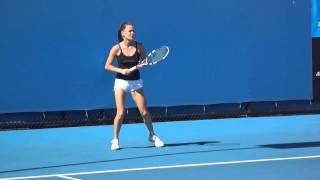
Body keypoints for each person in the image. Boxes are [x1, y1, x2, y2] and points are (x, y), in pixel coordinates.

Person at [104, 21, 164, 150]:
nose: (132, 33)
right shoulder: (116, 48)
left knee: (144, 112)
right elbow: (107, 66)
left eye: (133, 31)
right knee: (120, 112)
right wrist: (121, 71)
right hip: (121, 82)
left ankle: (152, 135)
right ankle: (115, 139)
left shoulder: (139, 46)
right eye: (130, 31)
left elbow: (144, 61)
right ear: (123, 33)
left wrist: (142, 65)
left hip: (136, 82)